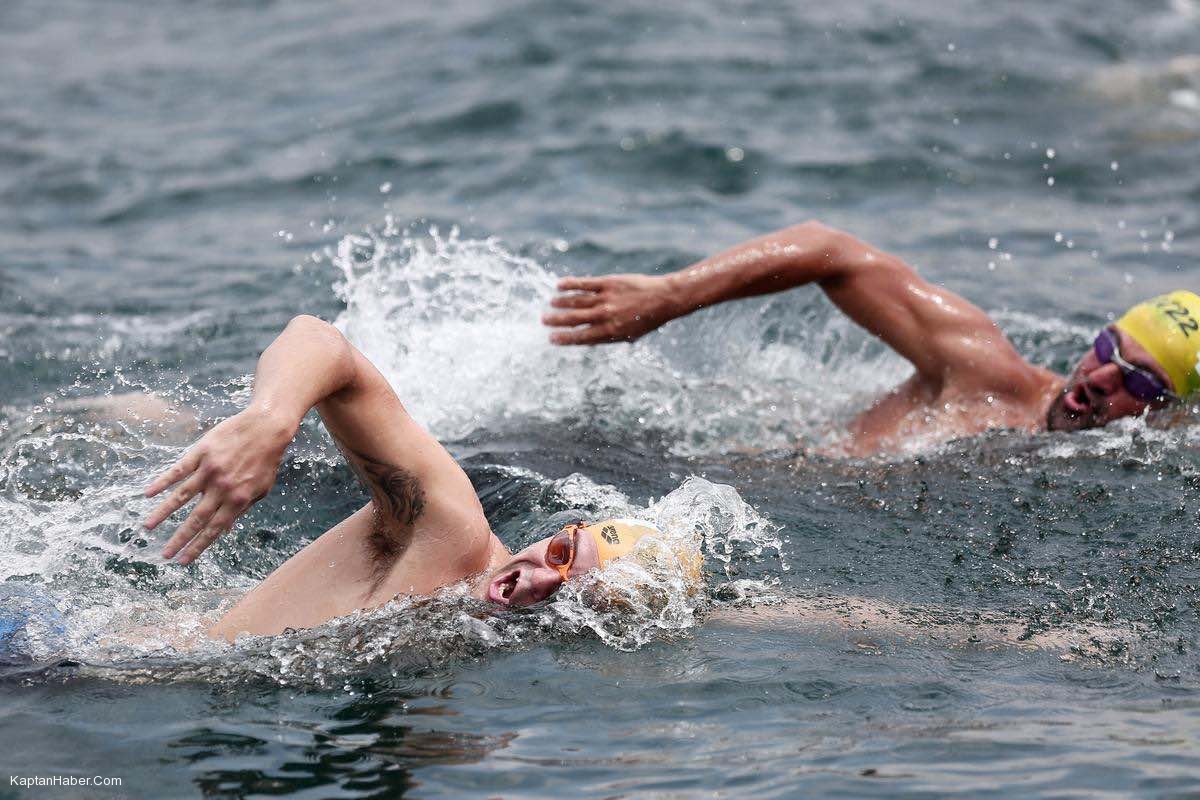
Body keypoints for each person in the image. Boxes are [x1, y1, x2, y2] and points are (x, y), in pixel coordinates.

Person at [139, 315, 679, 642]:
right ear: (561, 529)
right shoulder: (451, 533)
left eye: (572, 601)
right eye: (560, 554)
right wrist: (270, 420)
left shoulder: (477, 635)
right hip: (91, 666)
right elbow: (321, 342)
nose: (535, 582)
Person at [542, 221, 1199, 455]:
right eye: (1110, 349)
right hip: (688, 466)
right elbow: (835, 251)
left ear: (1172, 416)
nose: (1101, 378)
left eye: (1140, 382)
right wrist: (670, 295)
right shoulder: (983, 370)